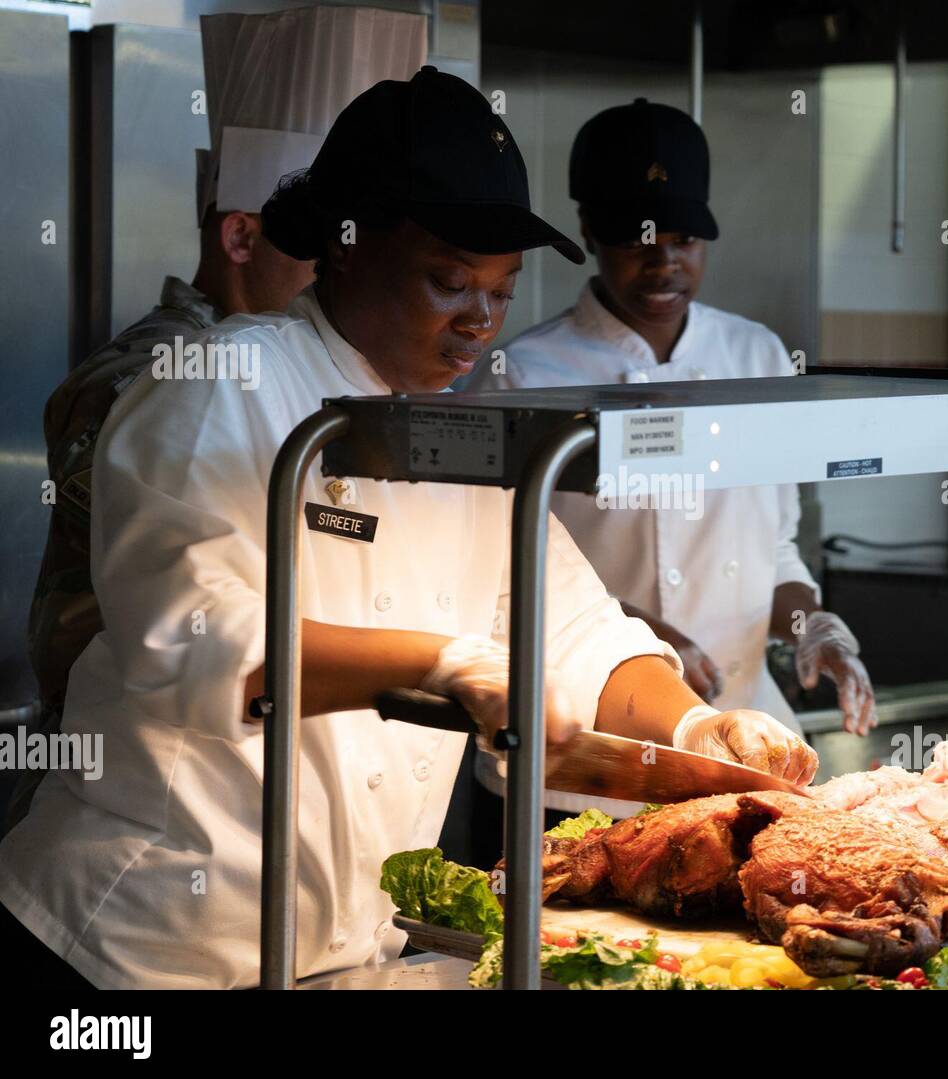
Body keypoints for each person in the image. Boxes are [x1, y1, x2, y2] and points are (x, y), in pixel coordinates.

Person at [0, 68, 817, 990]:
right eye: (449, 281)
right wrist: (437, 660)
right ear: (346, 246)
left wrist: (699, 729)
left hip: (339, 951)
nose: (479, 320)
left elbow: (579, 633)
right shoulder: (219, 384)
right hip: (131, 944)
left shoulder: (463, 437)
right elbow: (193, 645)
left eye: (502, 292)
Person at [12, 6, 427, 834]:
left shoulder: (330, 373)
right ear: (241, 234)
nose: (346, 273)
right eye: (324, 243)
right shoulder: (154, 378)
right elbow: (163, 633)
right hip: (145, 790)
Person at [467, 100, 875, 751]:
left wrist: (811, 623)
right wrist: (633, 639)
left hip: (745, 735)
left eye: (683, 241)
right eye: (637, 242)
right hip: (585, 741)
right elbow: (494, 572)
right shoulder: (523, 373)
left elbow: (775, 551)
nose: (664, 264)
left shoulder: (758, 356)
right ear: (588, 230)